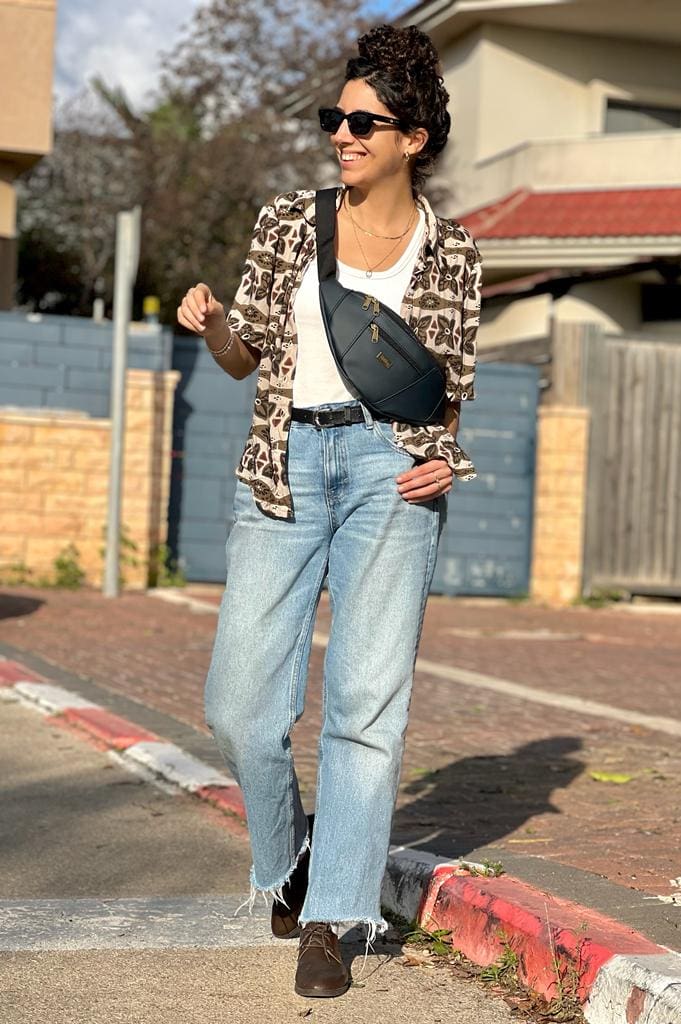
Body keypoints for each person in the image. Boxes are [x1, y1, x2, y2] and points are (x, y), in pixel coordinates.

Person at [176, 22, 482, 1000]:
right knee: (239, 705)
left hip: (391, 472)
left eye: (362, 122)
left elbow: (446, 389)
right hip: (286, 464)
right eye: (334, 119)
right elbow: (246, 358)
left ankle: (331, 919)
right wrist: (214, 326)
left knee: (365, 705)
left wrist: (442, 462)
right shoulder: (287, 222)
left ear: (413, 139)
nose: (341, 135)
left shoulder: (452, 251)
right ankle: (289, 862)